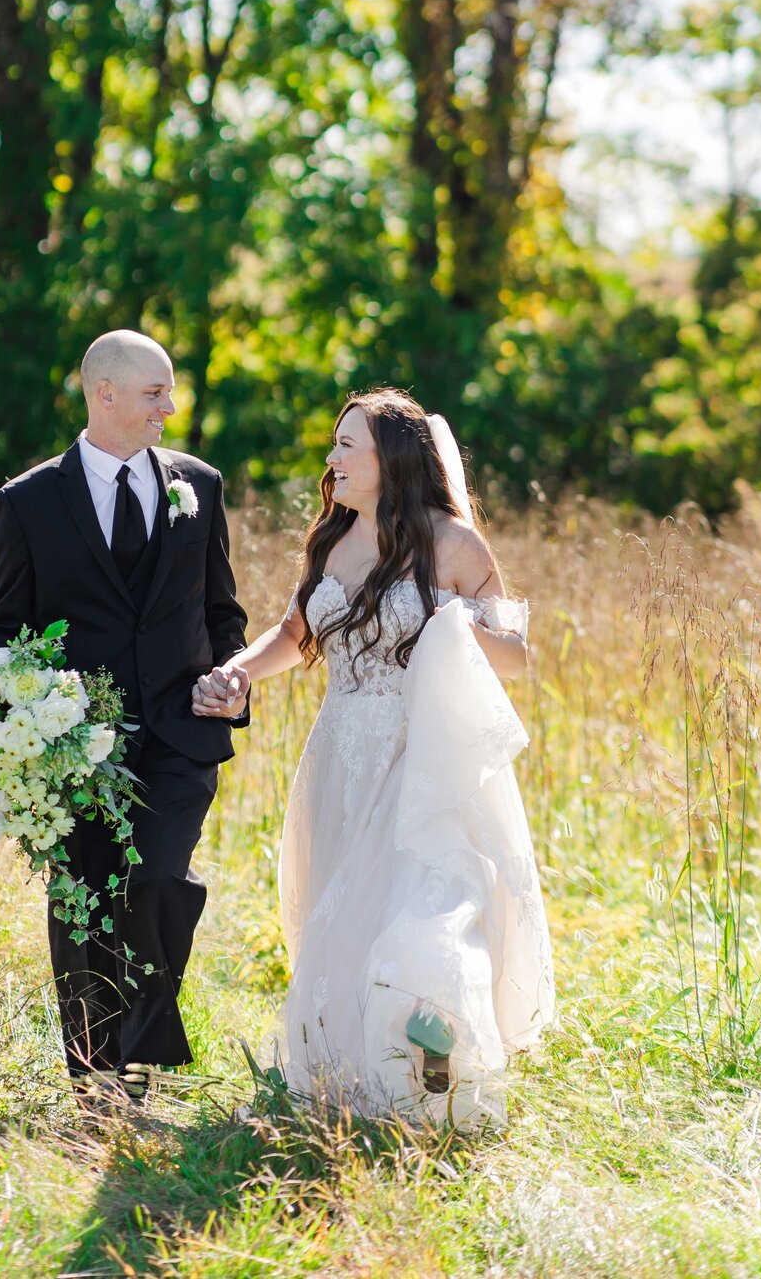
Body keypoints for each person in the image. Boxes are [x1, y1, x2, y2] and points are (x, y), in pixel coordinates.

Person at [193, 388, 553, 1125]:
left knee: (425, 909)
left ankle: (434, 1065)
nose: (332, 459)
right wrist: (237, 672)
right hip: (339, 758)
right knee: (346, 917)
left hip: (422, 757)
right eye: (335, 444)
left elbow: (516, 658)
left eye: (346, 444)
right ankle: (356, 1079)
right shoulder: (331, 540)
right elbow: (296, 636)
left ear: (390, 457)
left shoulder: (453, 543)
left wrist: (452, 621)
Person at [0, 330, 248, 1097]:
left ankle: (137, 1056)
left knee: (160, 882)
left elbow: (224, 614)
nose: (171, 405)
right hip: (73, 747)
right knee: (84, 904)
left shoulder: (201, 484)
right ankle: (96, 1080)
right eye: (155, 392)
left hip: (178, 734)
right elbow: (4, 632)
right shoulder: (28, 503)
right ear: (105, 394)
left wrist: (232, 680)